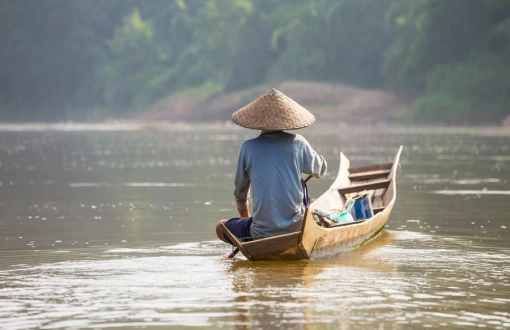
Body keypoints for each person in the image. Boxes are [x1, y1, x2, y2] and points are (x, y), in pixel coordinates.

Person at [215, 88, 327, 245]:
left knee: (220, 227)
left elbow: (240, 194)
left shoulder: (247, 147)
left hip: (260, 233)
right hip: (297, 228)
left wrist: (248, 223)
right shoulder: (299, 143)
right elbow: (321, 170)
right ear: (287, 120)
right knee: (301, 183)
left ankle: (252, 235)